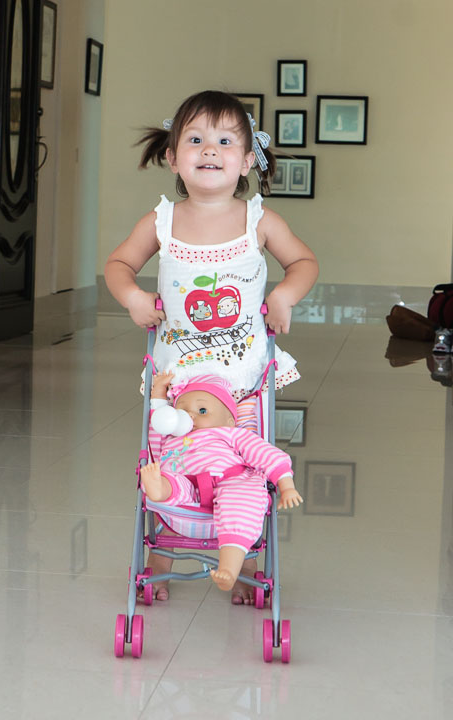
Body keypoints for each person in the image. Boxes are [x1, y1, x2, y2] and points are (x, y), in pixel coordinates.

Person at [105, 89, 318, 601]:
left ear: (246, 160)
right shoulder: (161, 221)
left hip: (242, 377)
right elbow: (119, 264)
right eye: (196, 139)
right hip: (177, 378)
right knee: (168, 458)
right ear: (173, 157)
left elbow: (303, 262)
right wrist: (132, 297)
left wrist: (285, 295)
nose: (209, 150)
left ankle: (242, 555)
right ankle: (163, 546)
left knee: (242, 464)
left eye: (224, 142)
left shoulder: (259, 220)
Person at [142, 372, 303, 593]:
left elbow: (266, 454)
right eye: (182, 411)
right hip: (185, 489)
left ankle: (230, 569)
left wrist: (286, 484)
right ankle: (159, 489)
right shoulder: (171, 437)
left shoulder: (232, 434)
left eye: (202, 411)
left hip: (229, 481)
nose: (190, 416)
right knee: (168, 480)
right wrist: (159, 392)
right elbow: (157, 425)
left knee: (243, 496)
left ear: (230, 421)